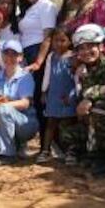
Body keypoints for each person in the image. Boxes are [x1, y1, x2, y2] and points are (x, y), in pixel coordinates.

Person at [62, 24, 105, 177]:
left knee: (100, 109)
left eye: (91, 46)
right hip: (96, 122)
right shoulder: (83, 72)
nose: (86, 52)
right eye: (81, 48)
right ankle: (94, 153)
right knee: (67, 134)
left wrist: (91, 95)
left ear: (101, 47)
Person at [0, 40, 39, 165]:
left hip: (25, 124)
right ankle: (16, 147)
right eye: (6, 53)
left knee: (3, 109)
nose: (10, 57)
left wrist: (0, 105)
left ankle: (8, 155)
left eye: (14, 54)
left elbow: (25, 103)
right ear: (2, 55)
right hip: (2, 122)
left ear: (20, 57)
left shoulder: (25, 77)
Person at [18, 0, 57, 146]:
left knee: (42, 100)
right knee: (34, 99)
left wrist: (39, 61)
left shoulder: (46, 6)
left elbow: (48, 36)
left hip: (39, 54)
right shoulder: (29, 9)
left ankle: (47, 146)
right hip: (27, 54)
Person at [36, 27, 77, 164]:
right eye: (56, 40)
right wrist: (43, 91)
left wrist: (74, 95)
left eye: (63, 40)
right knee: (51, 123)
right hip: (53, 94)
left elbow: (77, 78)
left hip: (67, 95)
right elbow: (47, 75)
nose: (59, 44)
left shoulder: (73, 58)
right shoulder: (51, 57)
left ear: (70, 41)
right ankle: (45, 151)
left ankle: (70, 152)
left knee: (68, 124)